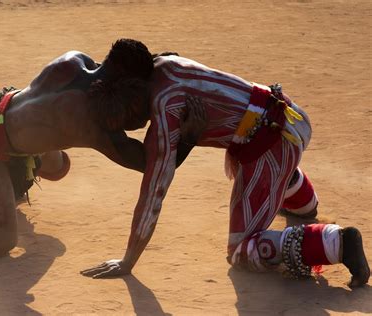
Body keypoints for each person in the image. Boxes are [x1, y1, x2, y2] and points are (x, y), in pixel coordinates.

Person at [81, 54, 370, 287]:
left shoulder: (165, 111)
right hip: (285, 114)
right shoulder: (165, 64)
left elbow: (154, 191)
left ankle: (338, 243)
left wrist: (128, 260)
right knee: (256, 163)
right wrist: (190, 139)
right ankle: (303, 203)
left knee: (242, 251)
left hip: (275, 144)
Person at [0, 39, 205, 258]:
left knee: (60, 166)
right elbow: (149, 161)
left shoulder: (75, 60)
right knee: (0, 243)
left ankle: (8, 186)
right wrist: (190, 129)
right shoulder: (90, 122)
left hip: (6, 122)